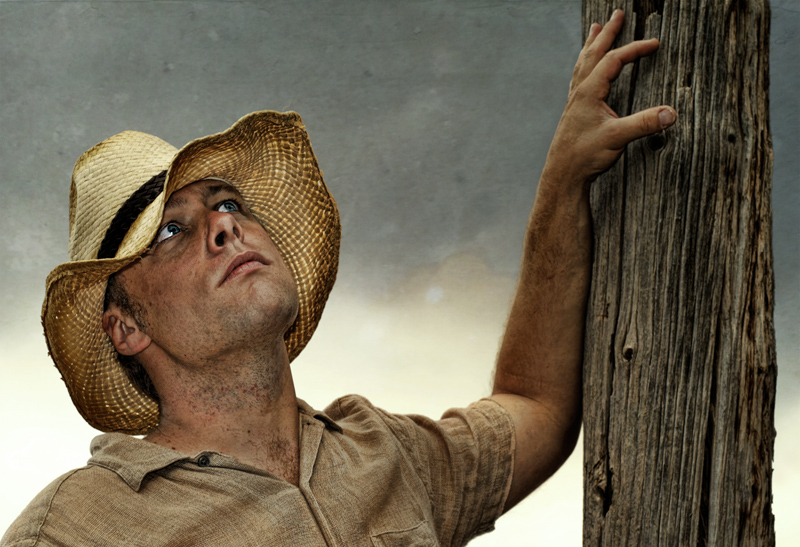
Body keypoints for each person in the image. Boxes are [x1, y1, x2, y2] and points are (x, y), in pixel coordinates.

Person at [3, 11, 676, 547]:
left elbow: (537, 404)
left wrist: (562, 180)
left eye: (229, 203)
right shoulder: (75, 527)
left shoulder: (385, 453)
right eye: (172, 230)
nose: (223, 226)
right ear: (125, 325)